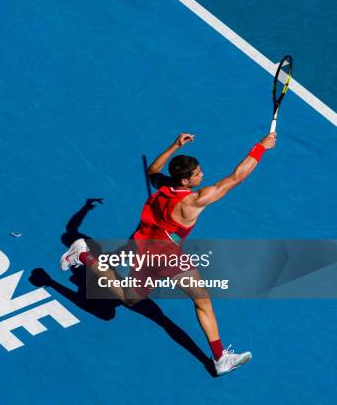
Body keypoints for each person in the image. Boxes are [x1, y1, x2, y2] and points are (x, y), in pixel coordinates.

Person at [60, 131, 277, 376]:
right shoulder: (195, 200)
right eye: (197, 174)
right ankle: (83, 256)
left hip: (143, 243)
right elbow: (236, 177)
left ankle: (84, 255)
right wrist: (261, 147)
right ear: (185, 181)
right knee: (195, 300)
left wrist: (174, 145)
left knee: (145, 299)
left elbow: (153, 170)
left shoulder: (164, 184)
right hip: (163, 256)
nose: (203, 175)